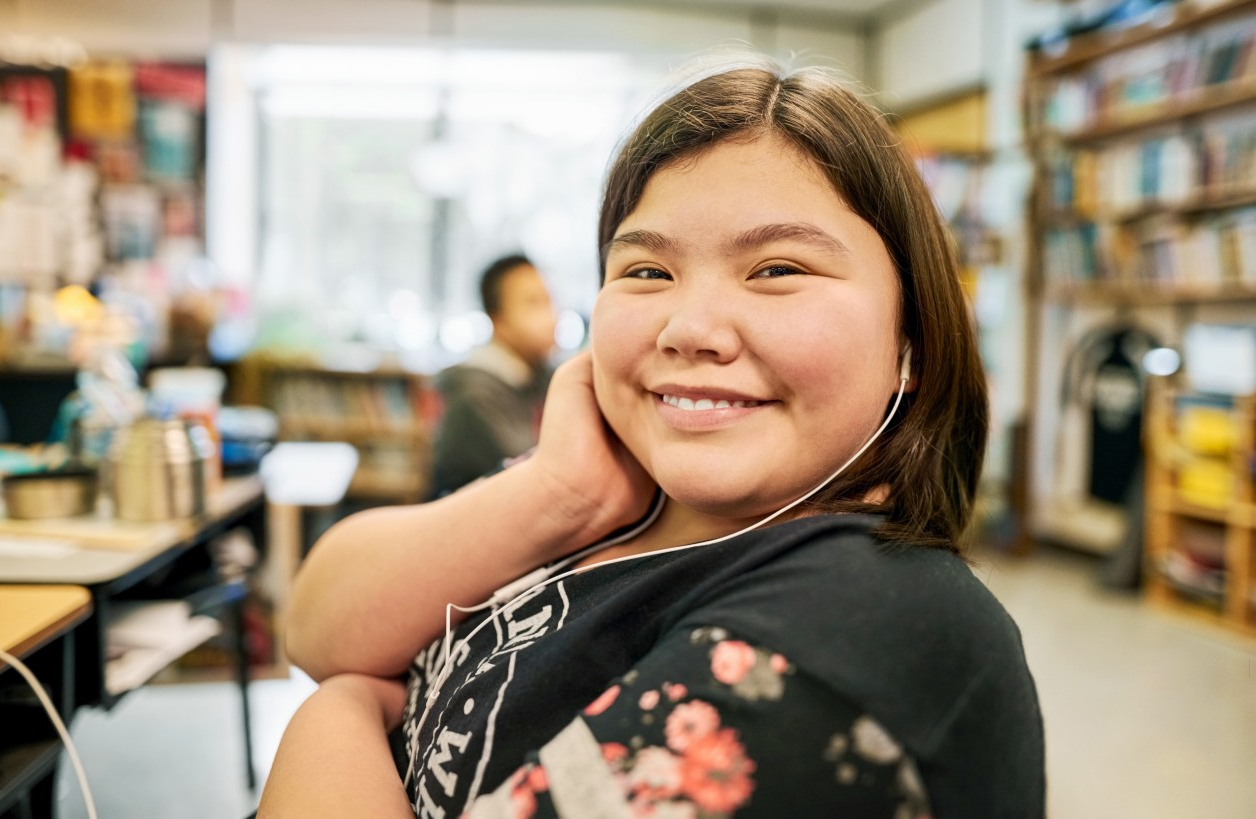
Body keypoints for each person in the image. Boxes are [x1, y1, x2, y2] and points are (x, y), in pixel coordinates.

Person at [258, 57, 1044, 818]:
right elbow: (319, 622)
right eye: (646, 272)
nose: (688, 328)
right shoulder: (604, 491)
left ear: (912, 337)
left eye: (776, 270)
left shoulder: (873, 624)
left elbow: (336, 670)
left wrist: (338, 715)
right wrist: (556, 493)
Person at [430, 254, 557, 497]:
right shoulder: (474, 393)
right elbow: (537, 473)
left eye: (549, 301)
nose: (551, 317)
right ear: (497, 320)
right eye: (533, 303)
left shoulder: (539, 373)